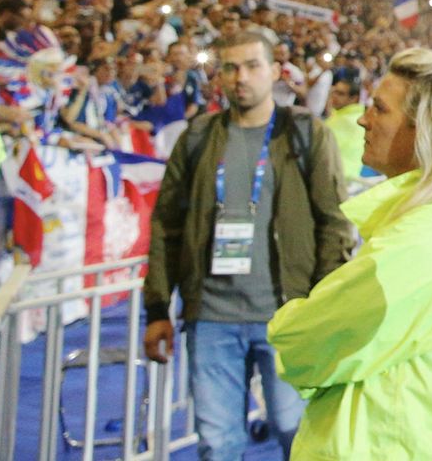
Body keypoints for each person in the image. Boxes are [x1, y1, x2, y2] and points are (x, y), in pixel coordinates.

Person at [268, 47, 432, 460]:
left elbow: (304, 341)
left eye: (379, 109)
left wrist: (286, 322)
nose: (362, 119)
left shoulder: (420, 240)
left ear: (423, 129)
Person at [143, 29, 353, 459]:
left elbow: (335, 223)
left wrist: (323, 308)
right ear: (218, 75)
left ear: (274, 71)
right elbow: (166, 225)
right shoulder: (198, 137)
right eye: (230, 67)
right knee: (217, 444)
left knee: (296, 432)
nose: (241, 77)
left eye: (252, 66)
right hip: (211, 317)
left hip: (286, 316)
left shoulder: (304, 134)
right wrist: (157, 308)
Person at [323, 74, 366, 189]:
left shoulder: (348, 121)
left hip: (337, 179)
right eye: (334, 92)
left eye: (340, 94)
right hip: (344, 178)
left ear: (354, 98)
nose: (334, 96)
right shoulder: (355, 116)